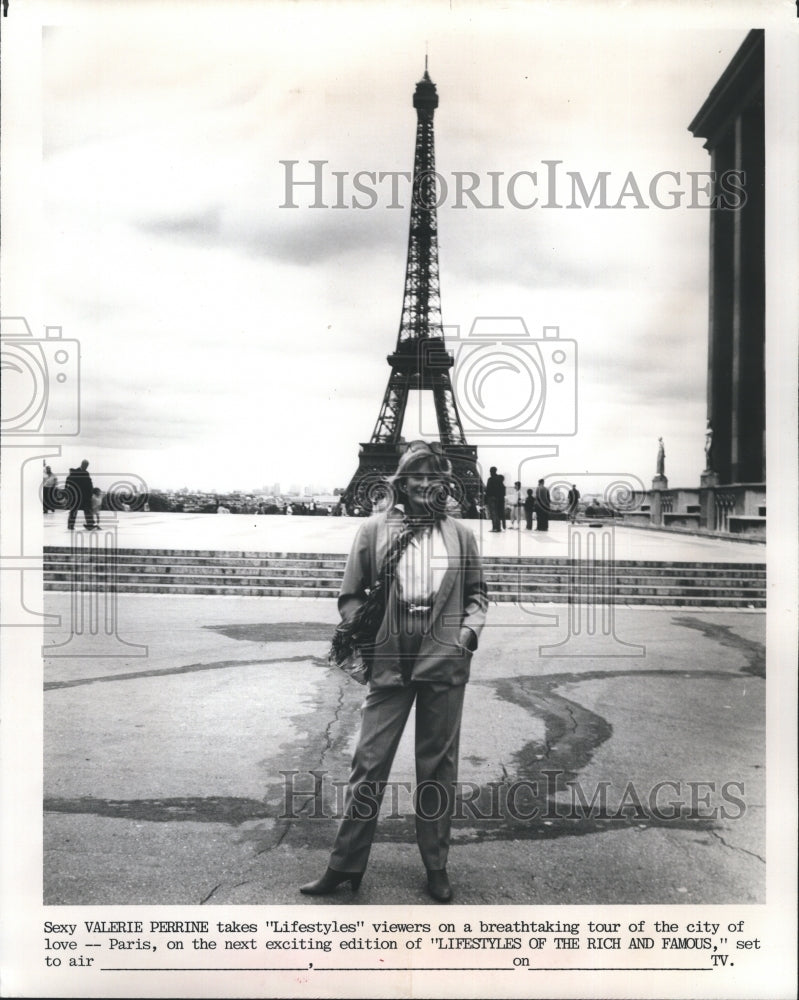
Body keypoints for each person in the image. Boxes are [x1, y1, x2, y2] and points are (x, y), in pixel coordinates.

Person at [300, 441, 487, 903]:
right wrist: (367, 640)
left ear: (446, 483)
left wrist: (466, 635)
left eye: (434, 476)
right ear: (400, 481)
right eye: (416, 475)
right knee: (369, 762)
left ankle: (436, 865)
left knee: (437, 768)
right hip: (391, 655)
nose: (425, 483)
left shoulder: (461, 536)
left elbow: (478, 597)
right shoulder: (372, 530)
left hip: (443, 656)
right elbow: (350, 596)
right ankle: (345, 865)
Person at [65, 460, 96, 530]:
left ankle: (90, 524)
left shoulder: (86, 473)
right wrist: (68, 490)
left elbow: (89, 484)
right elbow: (68, 480)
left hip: (85, 496)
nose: (86, 466)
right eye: (85, 465)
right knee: (74, 510)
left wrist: (90, 493)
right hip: (76, 496)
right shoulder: (75, 472)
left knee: (87, 510)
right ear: (82, 464)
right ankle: (70, 525)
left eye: (87, 465)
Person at [484, 466, 504, 532]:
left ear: (491, 471)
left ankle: (494, 527)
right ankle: (498, 527)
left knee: (493, 513)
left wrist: (486, 498)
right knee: (497, 513)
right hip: (498, 498)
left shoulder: (490, 479)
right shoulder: (499, 479)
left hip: (491, 498)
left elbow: (488, 489)